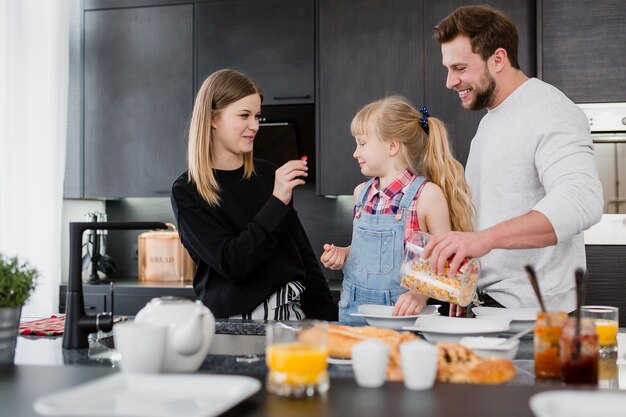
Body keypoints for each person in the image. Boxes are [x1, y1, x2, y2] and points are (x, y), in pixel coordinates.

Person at [425, 5, 603, 316]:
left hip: (535, 319)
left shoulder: (551, 111)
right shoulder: (490, 122)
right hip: (491, 310)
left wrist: (484, 240)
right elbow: (488, 222)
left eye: (460, 68)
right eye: (448, 69)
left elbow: (582, 199)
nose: (450, 81)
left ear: (498, 59)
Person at [171, 69, 337, 321]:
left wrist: (328, 319)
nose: (255, 126)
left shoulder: (269, 174)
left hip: (291, 317)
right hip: (234, 326)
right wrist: (276, 202)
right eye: (244, 115)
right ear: (213, 118)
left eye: (257, 115)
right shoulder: (187, 191)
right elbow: (232, 264)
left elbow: (302, 254)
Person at [320, 96, 474, 323]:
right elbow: (367, 250)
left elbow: (444, 261)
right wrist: (343, 253)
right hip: (354, 309)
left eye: (362, 143)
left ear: (392, 146)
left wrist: (419, 294)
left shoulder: (427, 196)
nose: (355, 152)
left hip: (401, 315)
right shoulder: (361, 193)